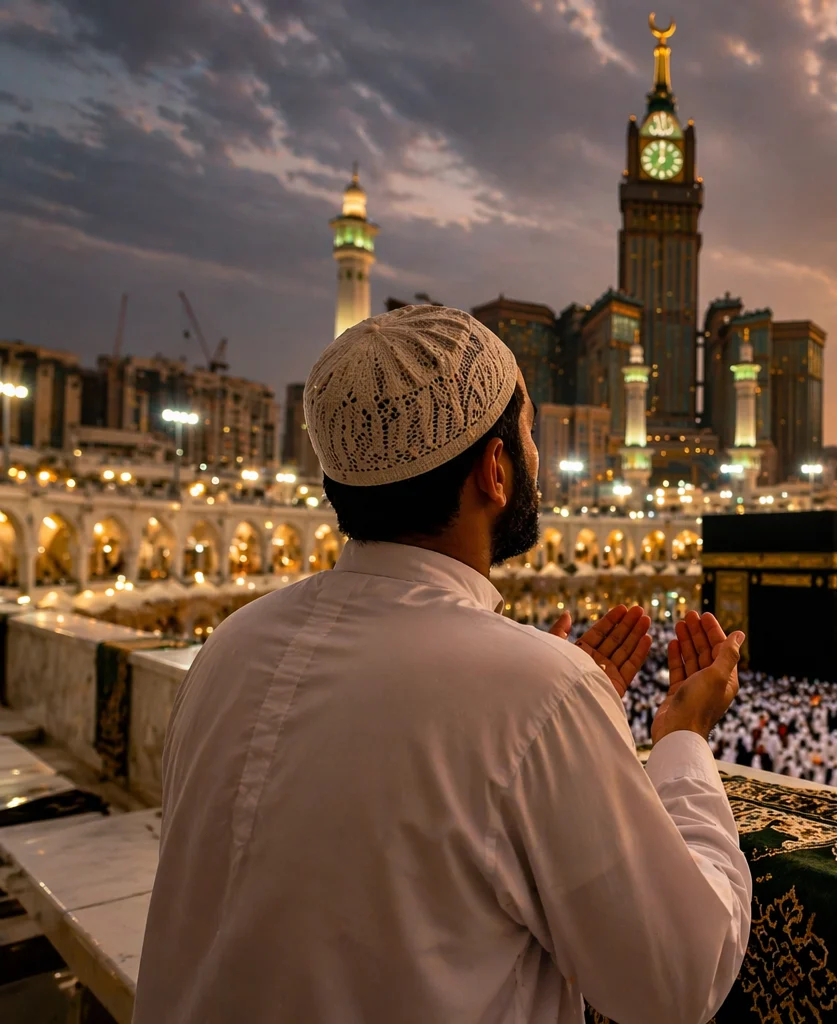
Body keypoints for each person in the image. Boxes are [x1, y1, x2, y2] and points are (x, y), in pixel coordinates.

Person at [135, 307, 752, 1024]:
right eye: (527, 438)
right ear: (494, 470)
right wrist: (682, 738)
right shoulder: (536, 691)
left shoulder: (230, 646)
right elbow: (681, 978)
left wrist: (567, 715)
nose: (536, 462)